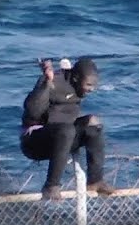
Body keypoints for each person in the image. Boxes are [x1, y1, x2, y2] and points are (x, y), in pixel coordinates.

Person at [20, 57, 115, 201]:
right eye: (88, 85)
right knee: (67, 130)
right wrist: (46, 83)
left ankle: (95, 181)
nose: (91, 89)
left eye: (94, 85)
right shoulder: (53, 81)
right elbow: (31, 110)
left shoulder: (76, 86)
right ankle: (51, 186)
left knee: (93, 124)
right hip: (36, 141)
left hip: (63, 139)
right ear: (76, 78)